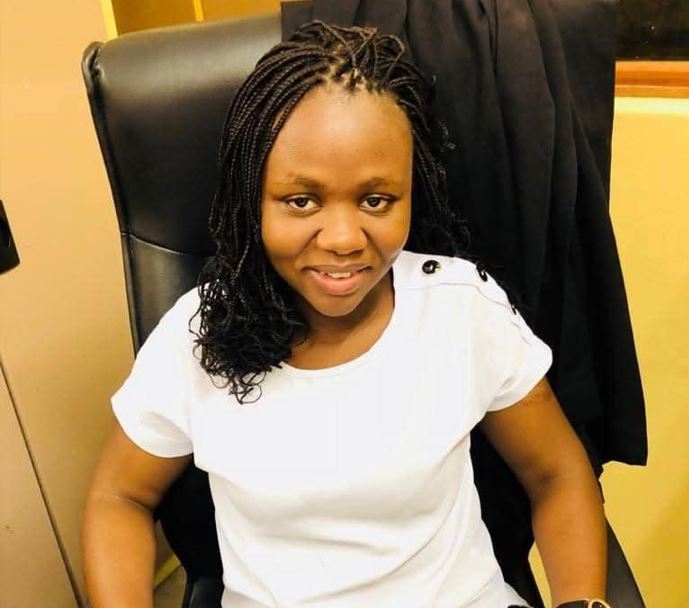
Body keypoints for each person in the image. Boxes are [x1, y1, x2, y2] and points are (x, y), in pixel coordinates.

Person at [82, 21, 611, 608]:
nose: (342, 239)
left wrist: (582, 601)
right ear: (251, 199)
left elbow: (556, 473)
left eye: (375, 200)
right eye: (301, 200)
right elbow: (119, 497)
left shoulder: (461, 309)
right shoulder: (199, 335)